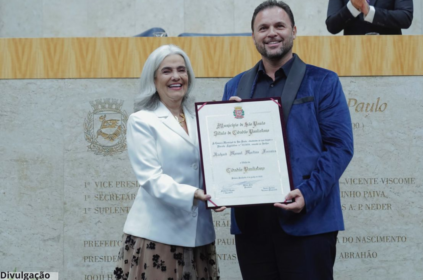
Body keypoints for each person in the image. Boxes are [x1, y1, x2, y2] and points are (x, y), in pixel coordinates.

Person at [222, 1, 354, 279]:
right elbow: (223, 151)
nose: (272, 33)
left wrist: (308, 193)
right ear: (253, 36)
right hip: (252, 227)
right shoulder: (234, 87)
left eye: (279, 26)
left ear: (293, 31)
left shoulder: (323, 81)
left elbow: (340, 147)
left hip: (308, 221)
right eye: (263, 28)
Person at [114, 45, 221, 280]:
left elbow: (221, 157)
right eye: (167, 71)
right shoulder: (142, 120)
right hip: (157, 237)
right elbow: (151, 179)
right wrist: (195, 193)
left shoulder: (203, 116)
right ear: (153, 79)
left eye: (181, 70)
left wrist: (237, 114)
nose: (176, 77)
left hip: (199, 236)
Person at [326, 0, 413, 35]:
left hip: (391, 57)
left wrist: (370, 12)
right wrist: (352, 7)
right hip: (353, 59)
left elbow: (405, 17)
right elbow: (332, 26)